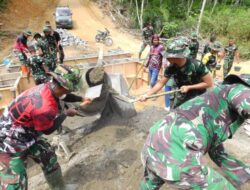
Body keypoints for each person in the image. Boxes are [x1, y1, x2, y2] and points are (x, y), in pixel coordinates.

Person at [140, 74, 250, 190]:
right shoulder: (240, 89)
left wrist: (245, 173)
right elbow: (244, 98)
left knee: (151, 182)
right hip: (177, 148)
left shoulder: (216, 101)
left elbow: (218, 152)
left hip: (154, 141)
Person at [0, 65, 91, 190]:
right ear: (64, 87)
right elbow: (47, 130)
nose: (70, 92)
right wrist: (66, 114)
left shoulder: (48, 87)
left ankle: (59, 188)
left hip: (25, 133)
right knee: (15, 181)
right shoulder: (45, 107)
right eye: (69, 89)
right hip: (8, 142)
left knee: (47, 156)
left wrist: (81, 99)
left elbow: (63, 96)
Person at [140, 38, 213, 108]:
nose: (166, 58)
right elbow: (161, 83)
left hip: (198, 97)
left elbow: (209, 83)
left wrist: (189, 87)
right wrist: (147, 95)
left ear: (177, 57)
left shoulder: (197, 65)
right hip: (183, 95)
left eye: (168, 56)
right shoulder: (171, 67)